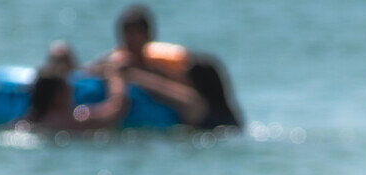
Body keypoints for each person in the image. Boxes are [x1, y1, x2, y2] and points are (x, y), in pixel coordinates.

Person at [94, 4, 241, 128]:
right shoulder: (122, 58)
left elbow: (185, 96)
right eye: (127, 35)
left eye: (134, 35)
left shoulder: (190, 81)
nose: (129, 41)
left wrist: (134, 76)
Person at [22, 63, 129, 132]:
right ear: (58, 97)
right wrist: (116, 78)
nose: (71, 91)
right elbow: (116, 109)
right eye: (67, 88)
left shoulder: (30, 119)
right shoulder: (70, 120)